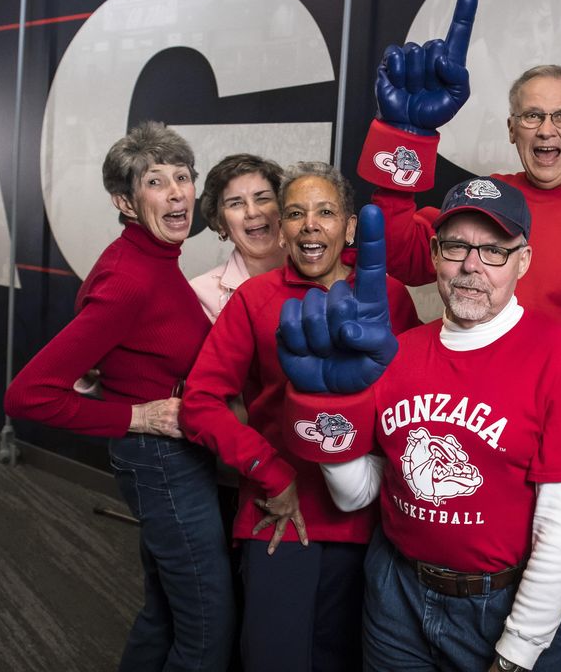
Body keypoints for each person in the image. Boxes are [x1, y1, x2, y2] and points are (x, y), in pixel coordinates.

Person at [279, 177, 561, 672]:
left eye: (494, 251)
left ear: (524, 260)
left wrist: (518, 650)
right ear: (435, 254)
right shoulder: (399, 351)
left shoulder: (559, 356)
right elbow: (357, 494)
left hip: (499, 604)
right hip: (395, 593)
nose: (471, 267)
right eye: (456, 246)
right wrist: (331, 407)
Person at [3, 122, 233, 671]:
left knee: (165, 612)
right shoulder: (128, 278)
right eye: (157, 182)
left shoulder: (156, 260)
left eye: (183, 177)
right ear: (126, 202)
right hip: (163, 465)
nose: (178, 192)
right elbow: (26, 396)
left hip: (173, 458)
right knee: (208, 629)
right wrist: (136, 416)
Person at [179, 161, 422, 672]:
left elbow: (414, 403)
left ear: (350, 227)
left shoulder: (389, 299)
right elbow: (200, 401)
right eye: (295, 213)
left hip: (373, 519)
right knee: (275, 658)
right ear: (283, 228)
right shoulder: (254, 299)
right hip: (280, 519)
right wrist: (270, 473)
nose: (310, 224)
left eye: (326, 212)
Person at [356, 0, 561, 346]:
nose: (545, 129)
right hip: (474, 393)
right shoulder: (487, 198)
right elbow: (402, 255)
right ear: (511, 129)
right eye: (532, 115)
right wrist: (407, 136)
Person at [190, 153, 287, 323]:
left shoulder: (320, 271)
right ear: (220, 223)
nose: (252, 212)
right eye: (236, 203)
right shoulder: (201, 293)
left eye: (263, 198)